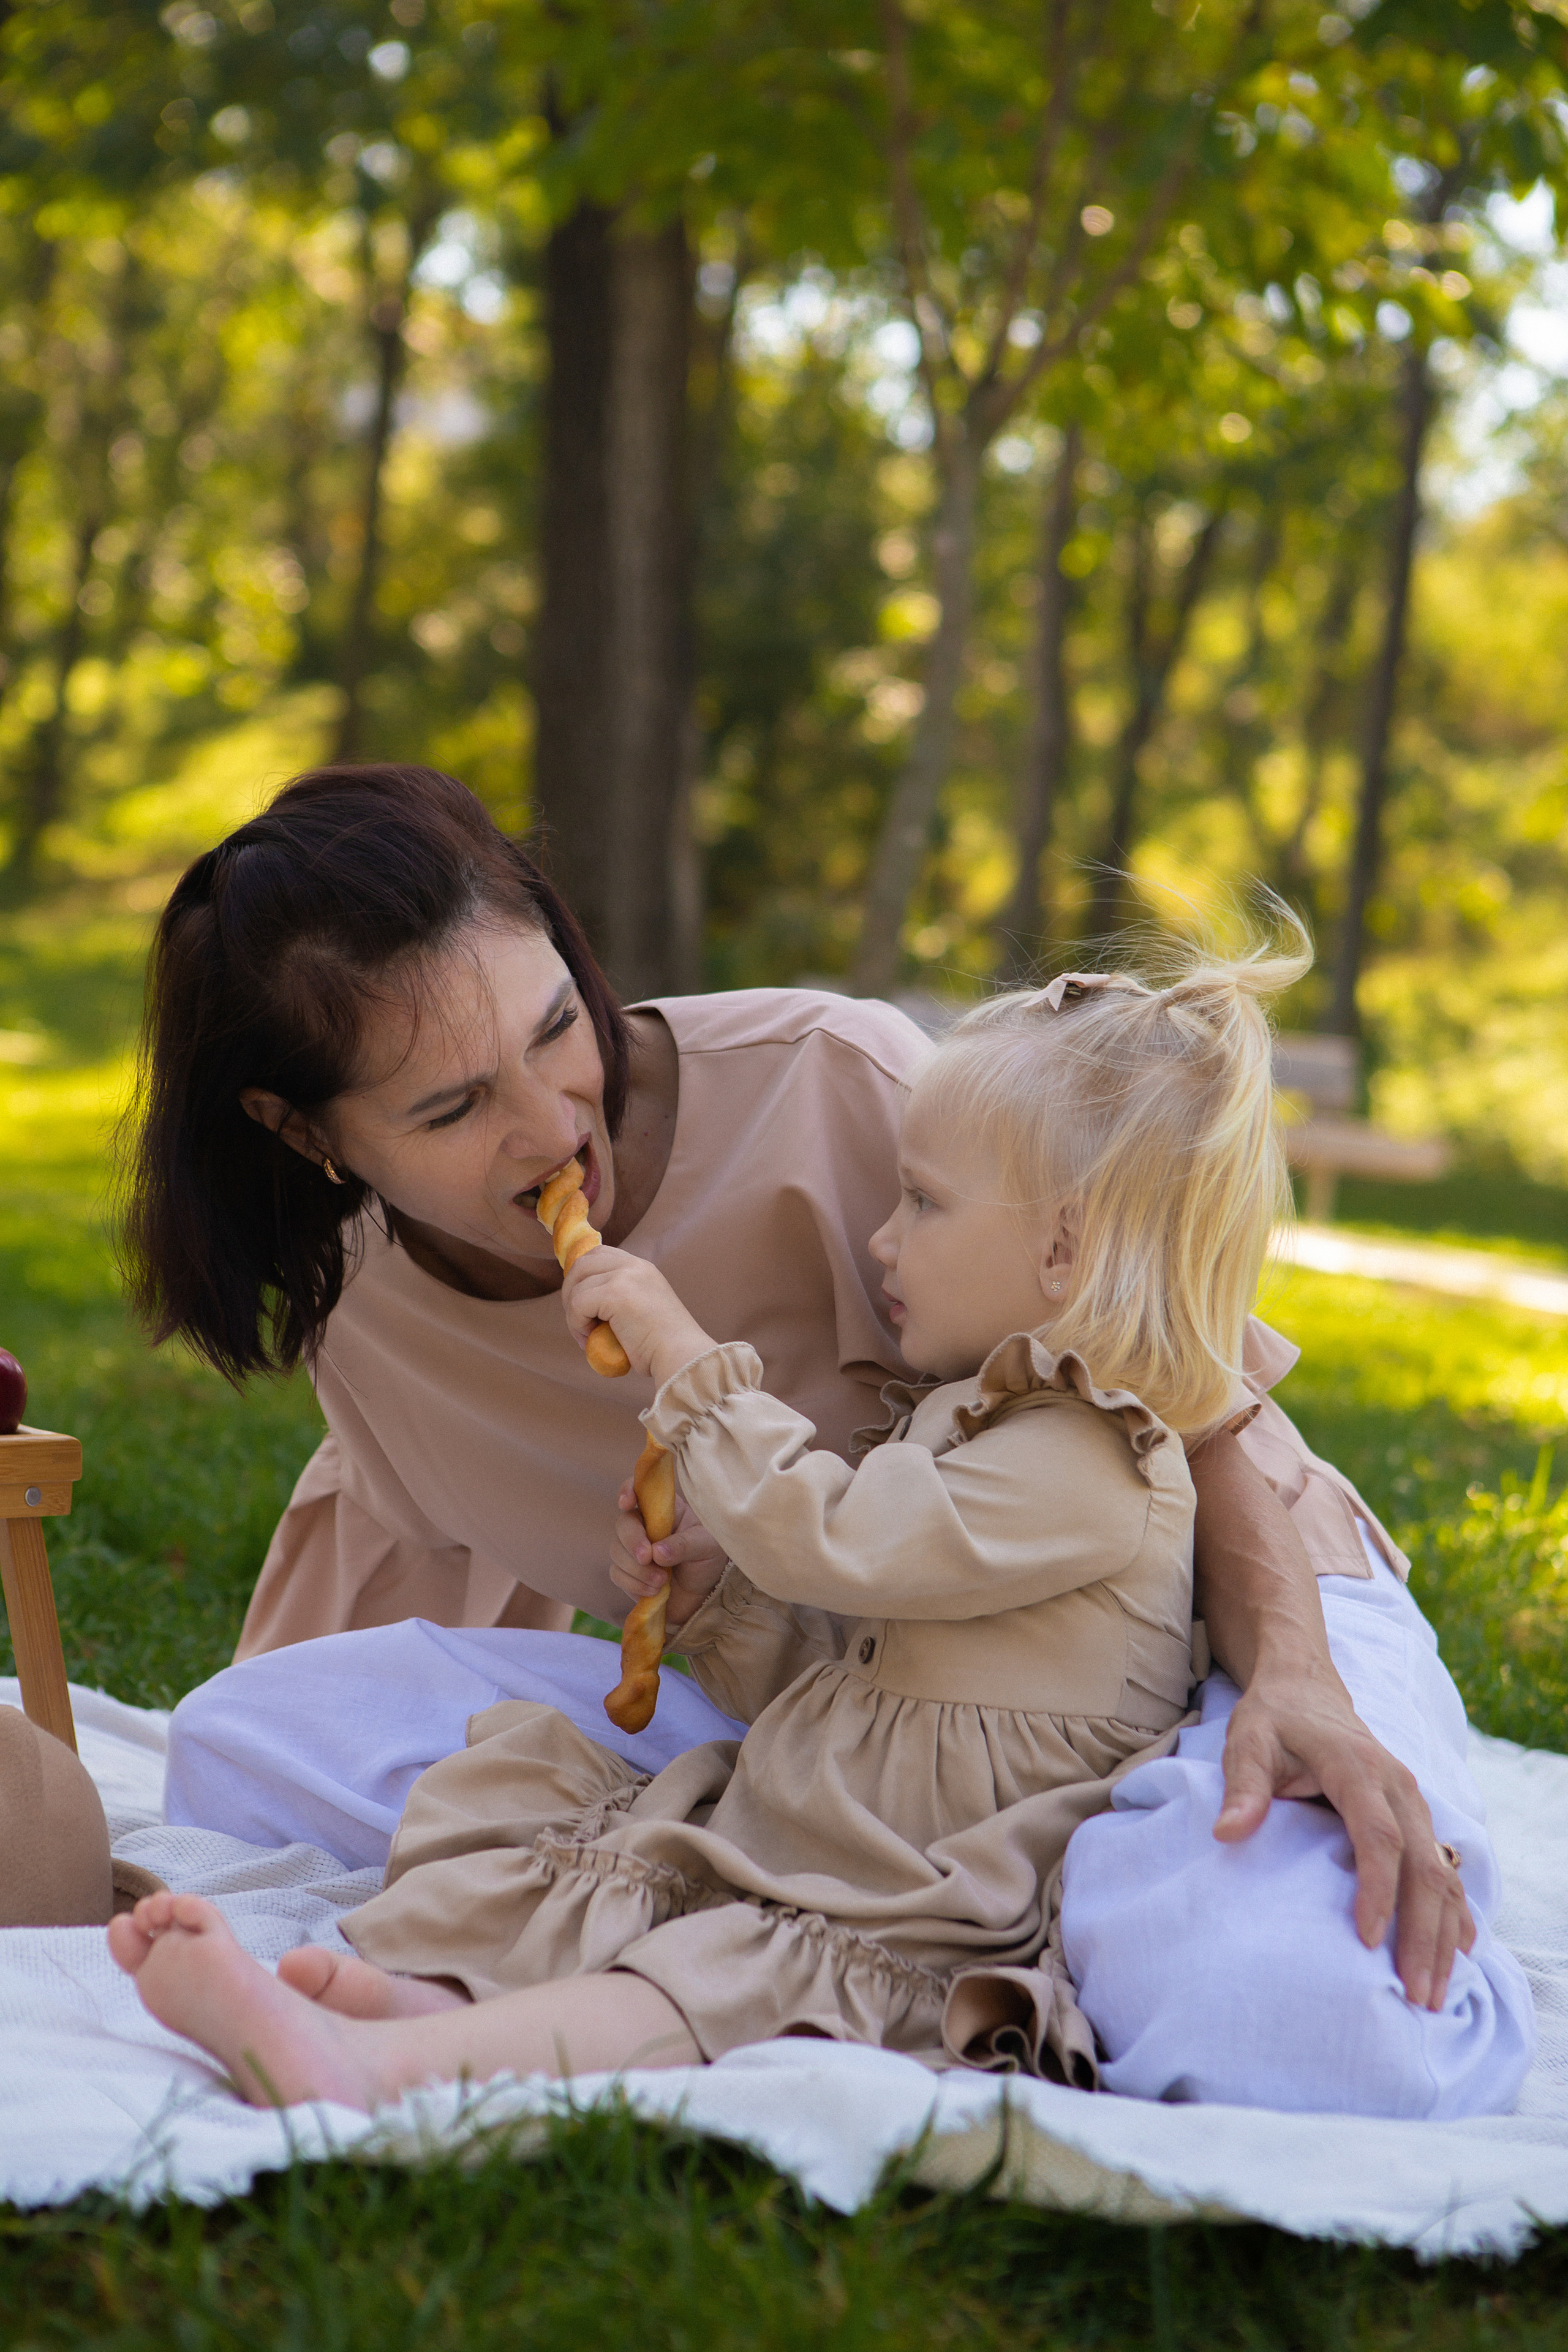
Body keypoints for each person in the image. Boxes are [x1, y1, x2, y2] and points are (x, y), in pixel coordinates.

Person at [120, 765, 1513, 2105]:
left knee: (1300, 2024)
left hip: (1221, 1620)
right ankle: (512, 1998)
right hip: (856, 1709)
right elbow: (414, 1586)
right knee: (243, 1741)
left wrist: (1298, 1680)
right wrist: (693, 1613)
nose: (553, 1124)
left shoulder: (839, 1084)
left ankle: (1068, 1923)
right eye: (453, 1105)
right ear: (303, 1133)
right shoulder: (368, 1317)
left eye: (553, 1029)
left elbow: (1189, 1413)